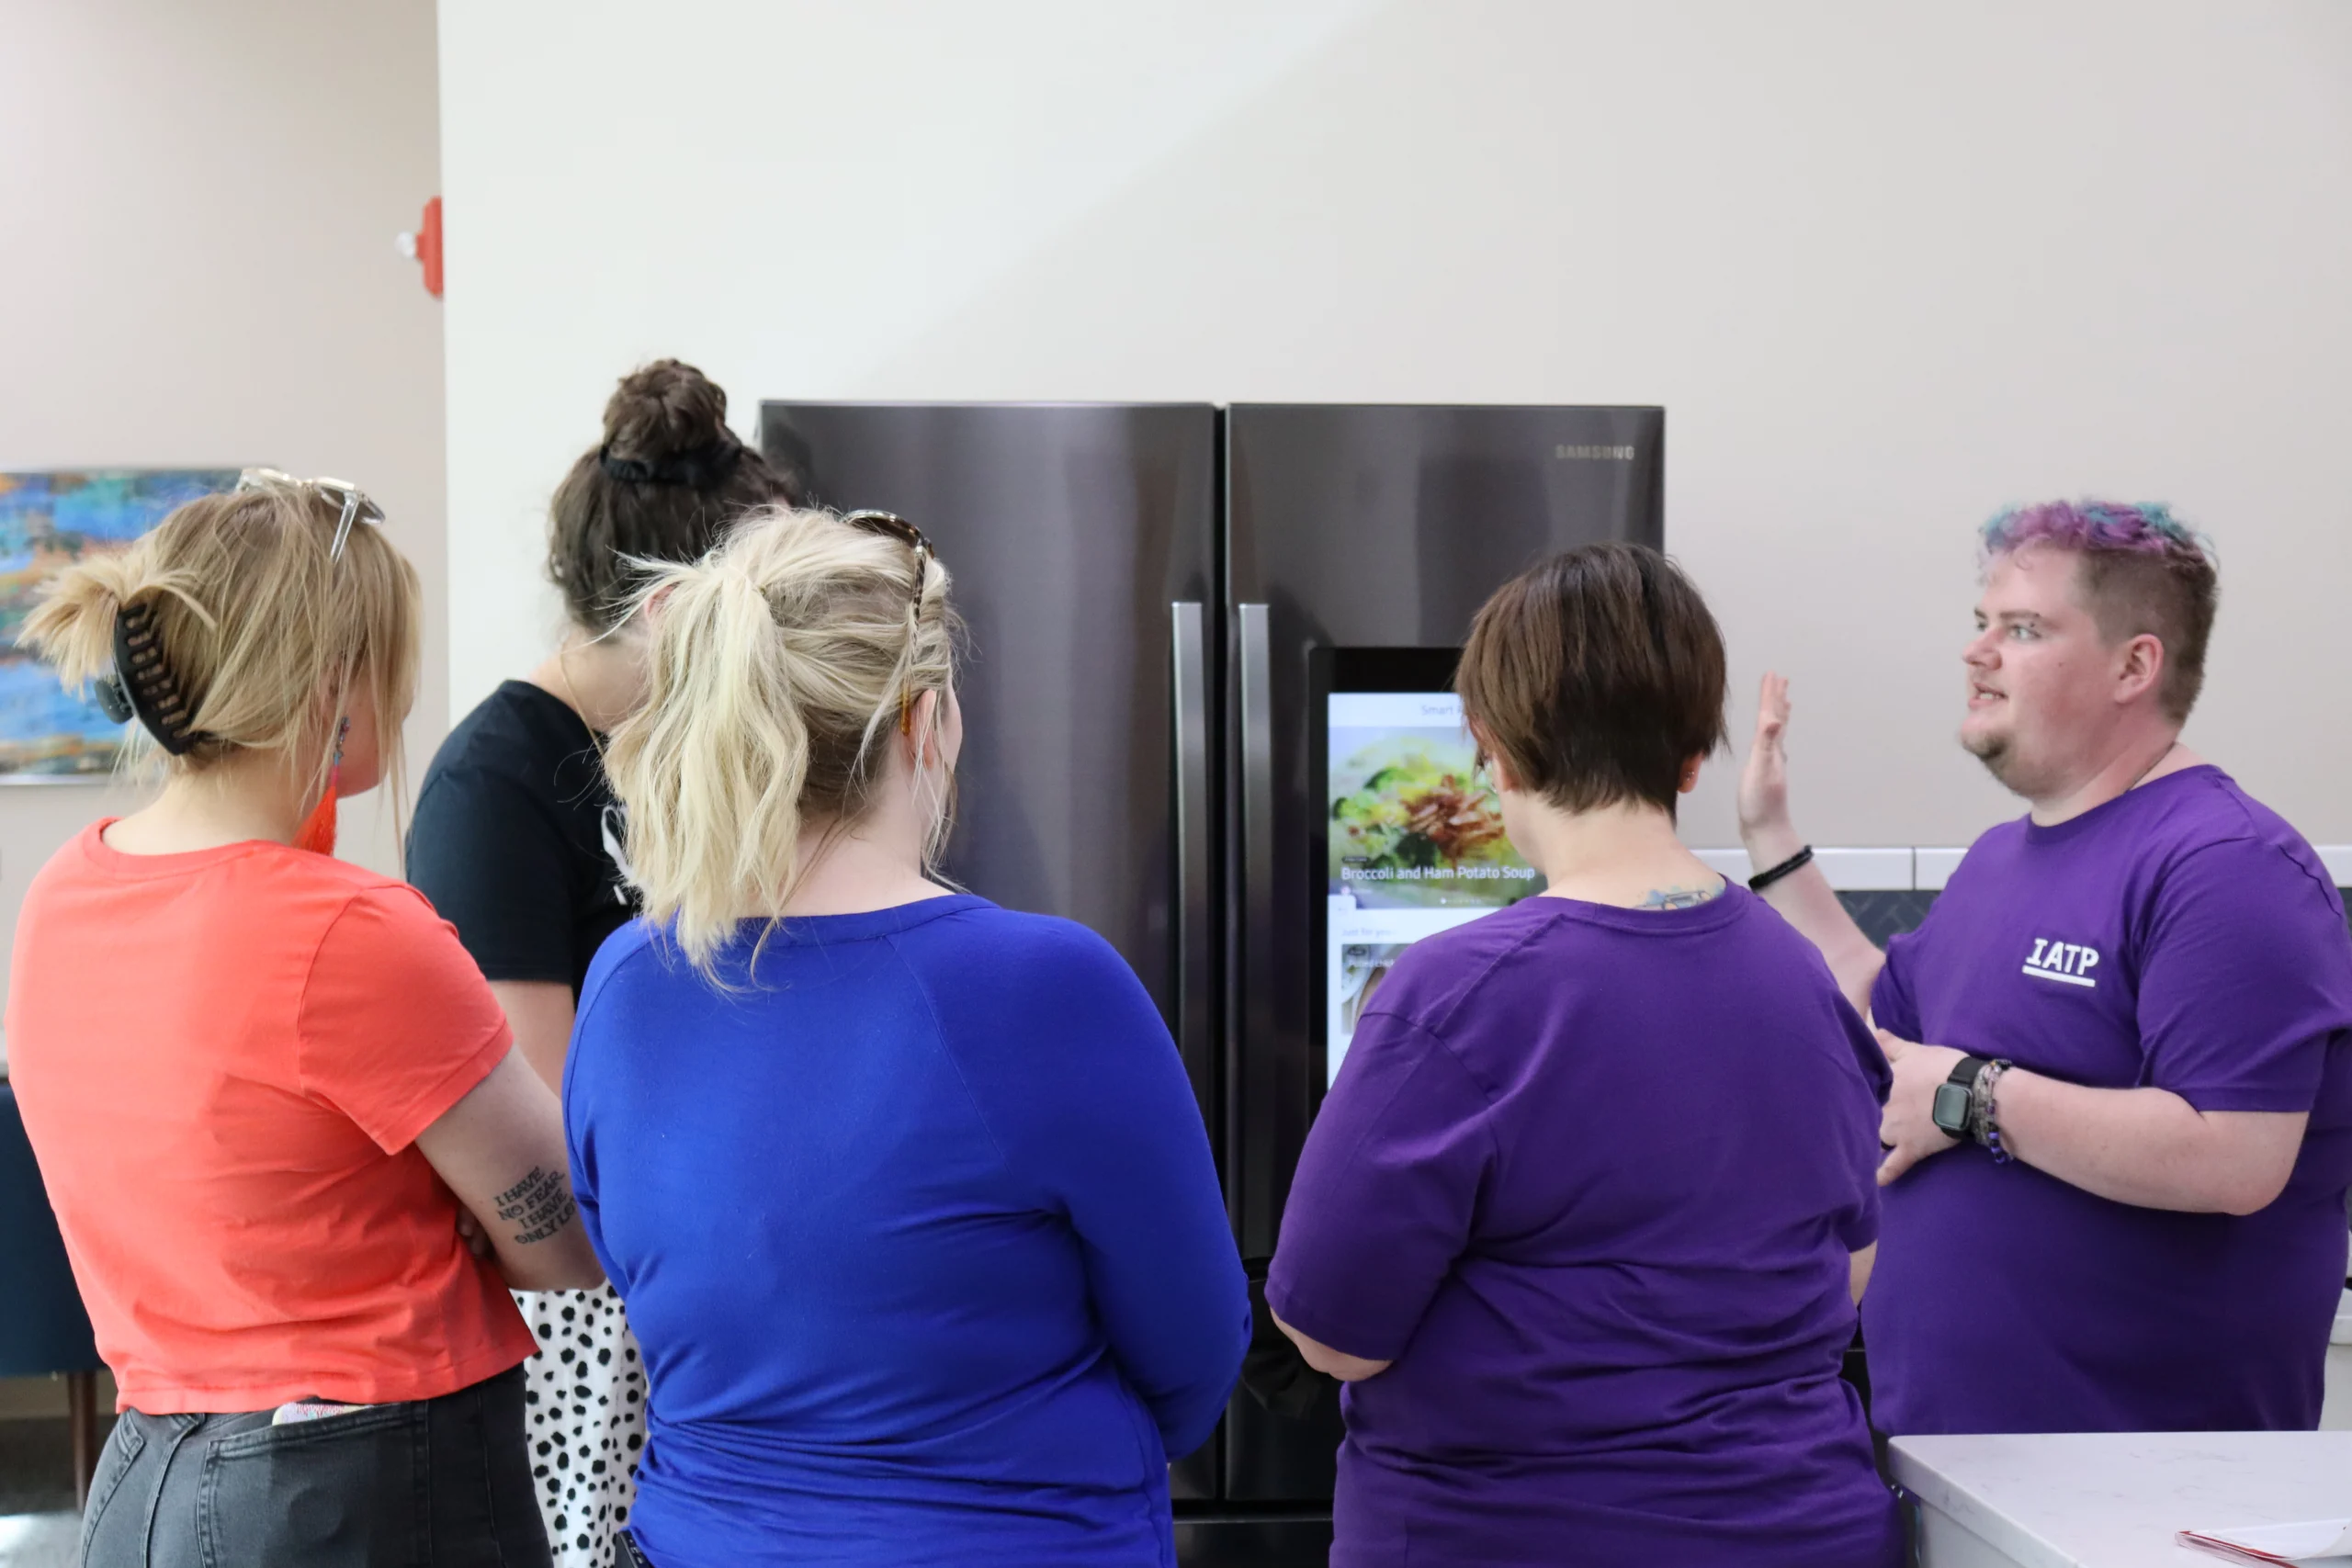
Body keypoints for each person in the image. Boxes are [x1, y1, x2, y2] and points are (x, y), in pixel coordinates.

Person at [565, 504, 1251, 1567]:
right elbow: (1197, 1354)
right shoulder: (1046, 987)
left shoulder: (626, 981)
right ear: (927, 723)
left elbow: (666, 1283)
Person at [4, 473, 602, 1568]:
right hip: (357, 1490)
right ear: (334, 685)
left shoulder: (60, 896)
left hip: (145, 1487)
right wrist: (458, 1204)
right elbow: (563, 1235)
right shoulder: (350, 932)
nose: (409, 693)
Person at [1269, 542, 1901, 1568]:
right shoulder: (1801, 982)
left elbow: (1333, 1334)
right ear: (1693, 760)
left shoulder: (1452, 997)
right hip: (1798, 1534)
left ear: (1497, 754)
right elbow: (1850, 1272)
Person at [1738, 499, 2352, 1436]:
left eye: (2021, 629)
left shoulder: (2225, 865)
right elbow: (1890, 1032)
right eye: (1981, 626)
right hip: (1949, 1468)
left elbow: (2234, 1157)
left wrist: (1977, 1099)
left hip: (2143, 1498)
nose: (1976, 654)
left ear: (2133, 666)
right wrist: (1772, 844)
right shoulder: (1997, 859)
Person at [407, 359, 802, 1567]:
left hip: (711, 1266)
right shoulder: (498, 782)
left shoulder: (696, 755)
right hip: (595, 1307)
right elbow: (544, 1099)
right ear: (671, 611)